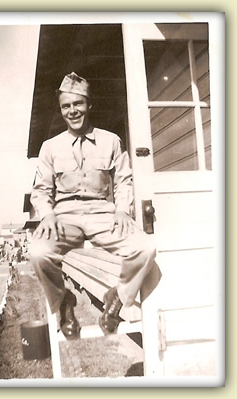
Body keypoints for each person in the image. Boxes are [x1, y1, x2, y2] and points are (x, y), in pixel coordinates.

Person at [29, 72, 162, 340]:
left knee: (146, 247)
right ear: (61, 109)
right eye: (66, 106)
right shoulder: (50, 147)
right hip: (65, 217)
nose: (72, 111)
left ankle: (117, 297)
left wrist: (123, 209)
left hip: (104, 213)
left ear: (89, 104)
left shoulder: (111, 140)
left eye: (78, 104)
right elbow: (41, 190)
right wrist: (47, 215)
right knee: (38, 252)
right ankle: (64, 303)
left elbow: (123, 180)